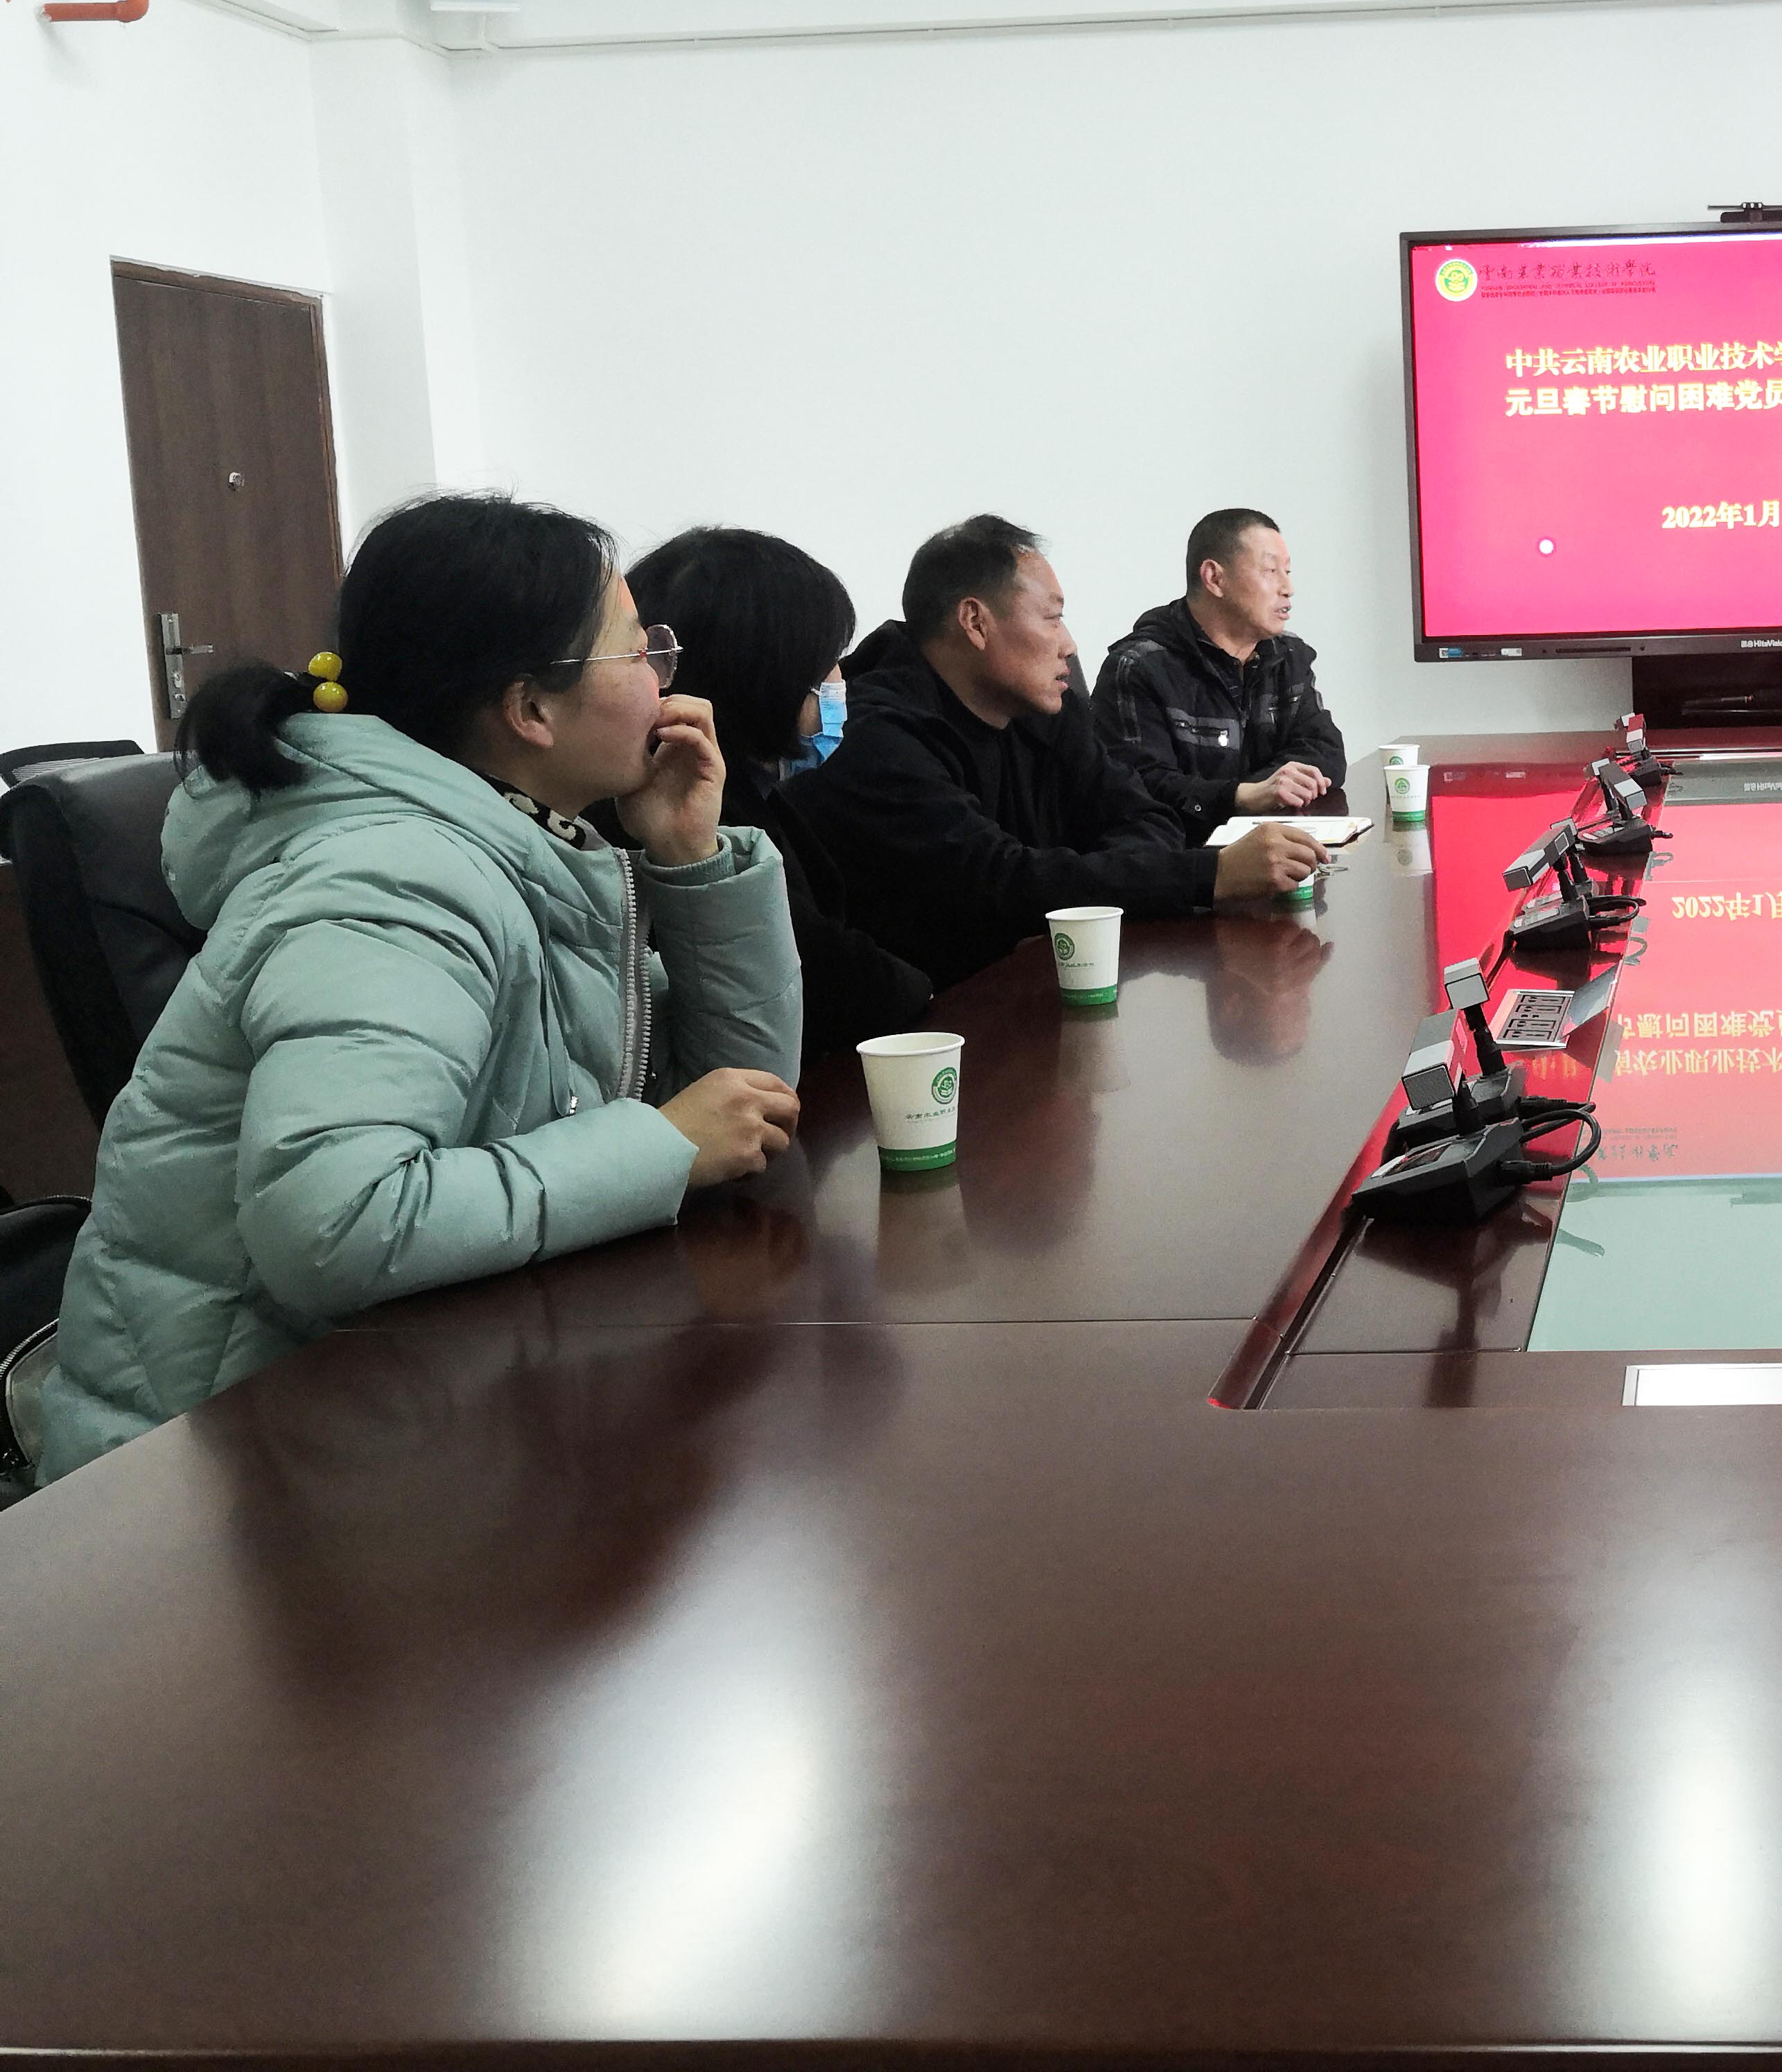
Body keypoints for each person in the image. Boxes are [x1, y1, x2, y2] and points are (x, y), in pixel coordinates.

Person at [30, 494, 805, 1483]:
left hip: (403, 1411)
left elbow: (746, 1110)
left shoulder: (529, 851)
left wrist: (692, 861)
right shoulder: (394, 879)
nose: (665, 682)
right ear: (530, 709)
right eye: (638, 651)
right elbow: (338, 1224)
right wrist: (660, 1146)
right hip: (226, 1478)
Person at [787, 514, 1324, 991]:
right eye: (1052, 618)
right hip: (935, 1024)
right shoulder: (875, 736)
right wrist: (1209, 875)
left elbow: (1143, 815)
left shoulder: (1044, 703)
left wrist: (1070, 906)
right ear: (975, 622)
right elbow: (997, 881)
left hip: (1052, 980)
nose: (1069, 643)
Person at [624, 526, 937, 1060]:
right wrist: (918, 989)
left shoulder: (757, 788)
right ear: (767, 675)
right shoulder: (688, 807)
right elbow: (826, 972)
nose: (840, 683)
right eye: (826, 663)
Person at [1093, 508, 1347, 843]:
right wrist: (1241, 796)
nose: (1288, 588)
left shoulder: (1288, 656)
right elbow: (1140, 788)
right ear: (1214, 578)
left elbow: (1324, 750)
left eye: (1287, 572)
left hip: (1271, 849)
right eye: (1271, 571)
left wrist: (1265, 790)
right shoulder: (1139, 667)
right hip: (1182, 862)